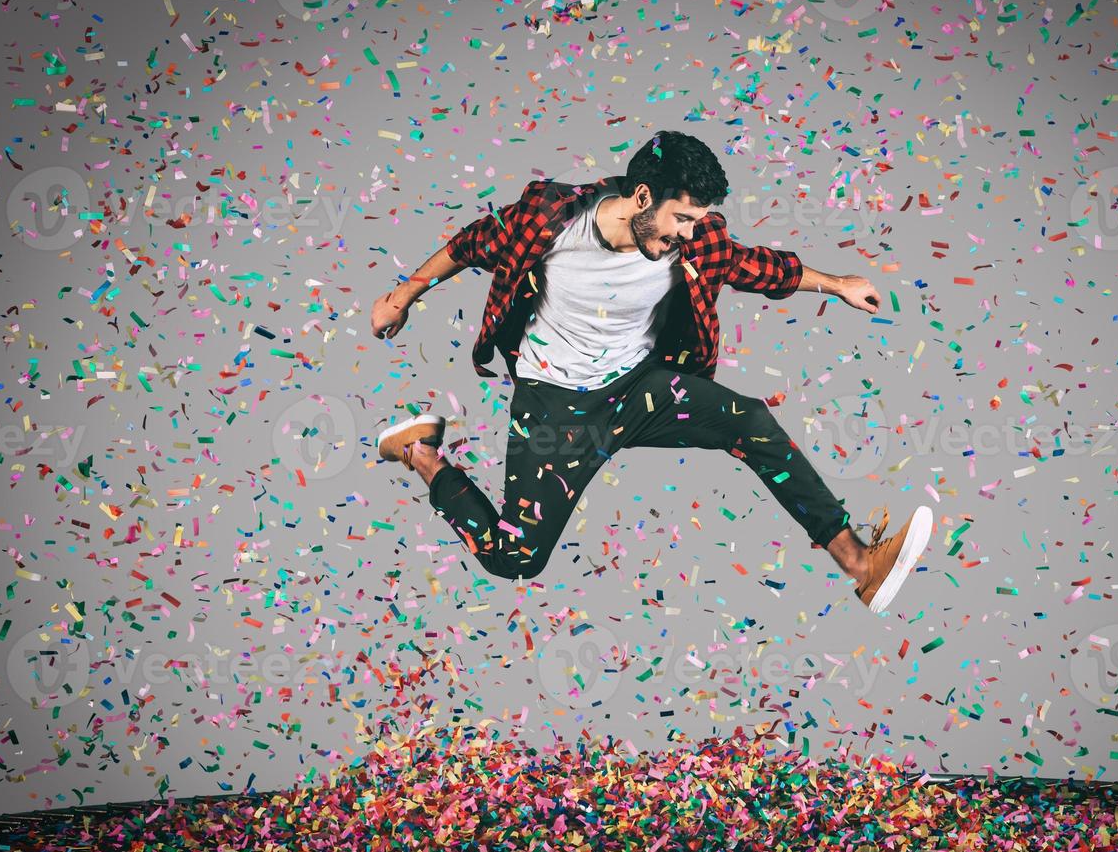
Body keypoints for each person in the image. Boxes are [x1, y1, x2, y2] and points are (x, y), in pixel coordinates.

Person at [369, 130, 932, 611]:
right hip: (557, 407)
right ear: (642, 197)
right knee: (514, 558)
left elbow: (753, 266)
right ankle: (420, 452)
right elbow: (471, 243)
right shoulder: (549, 220)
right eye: (681, 217)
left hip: (640, 390)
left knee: (751, 422)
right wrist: (402, 296)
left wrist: (836, 285)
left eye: (698, 221)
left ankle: (861, 565)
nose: (688, 233)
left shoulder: (694, 243)